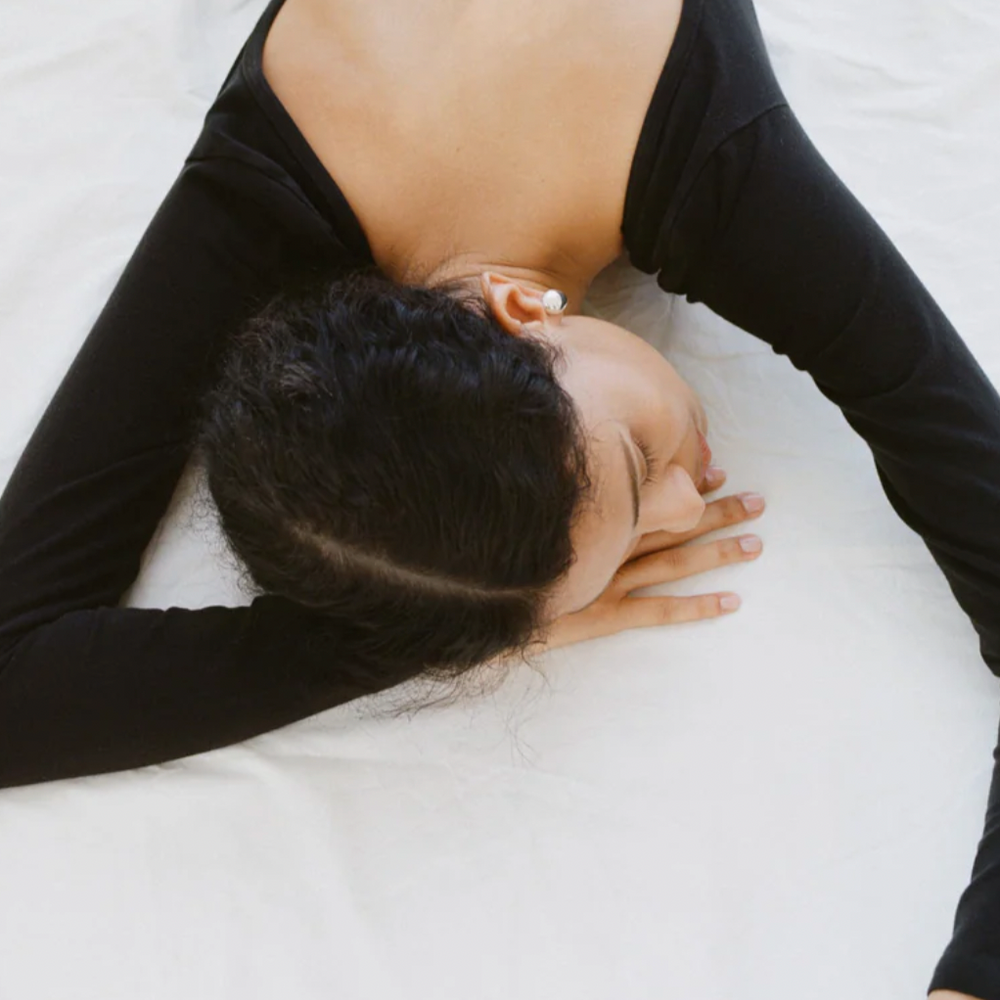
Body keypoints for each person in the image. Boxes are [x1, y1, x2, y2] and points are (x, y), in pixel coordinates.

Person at [0, 0, 997, 994]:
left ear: (520, 313)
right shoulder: (267, 182)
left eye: (636, 460)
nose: (687, 507)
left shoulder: (698, 141)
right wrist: (459, 619)